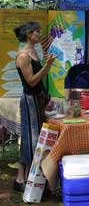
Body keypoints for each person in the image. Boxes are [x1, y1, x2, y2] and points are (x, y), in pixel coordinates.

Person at [13, 21, 56, 192]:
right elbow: (31, 82)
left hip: (38, 99)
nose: (40, 34)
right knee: (33, 140)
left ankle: (21, 178)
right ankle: (33, 182)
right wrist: (48, 66)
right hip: (30, 100)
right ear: (30, 34)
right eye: (37, 32)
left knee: (31, 138)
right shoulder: (23, 56)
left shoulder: (34, 52)